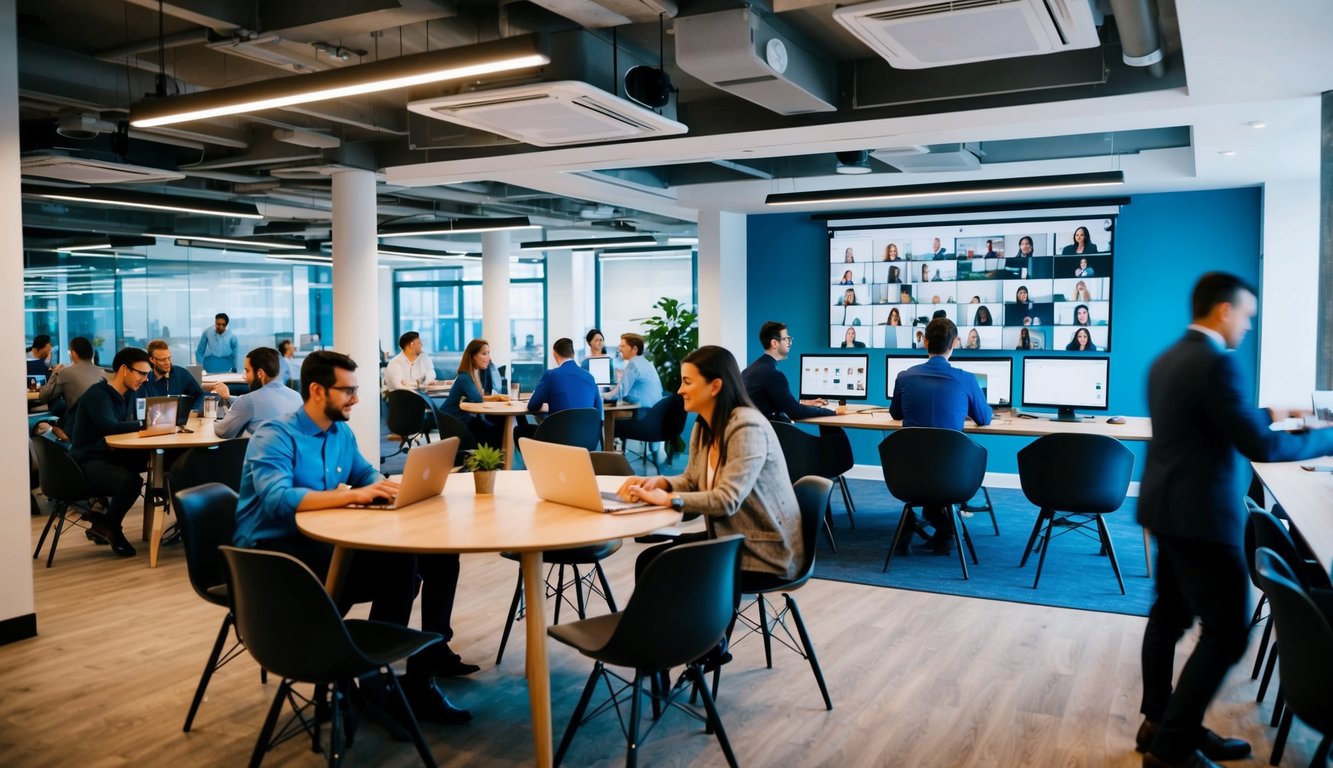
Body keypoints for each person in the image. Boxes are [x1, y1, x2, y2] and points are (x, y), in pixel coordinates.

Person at [1135, 272, 1333, 768]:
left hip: (1165, 508)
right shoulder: (1217, 364)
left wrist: (1273, 410)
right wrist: (1329, 438)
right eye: (1246, 315)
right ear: (1224, 309)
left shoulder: (1168, 359)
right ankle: (1172, 747)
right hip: (1202, 517)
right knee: (1227, 632)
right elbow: (1260, 446)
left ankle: (1159, 721)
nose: (1247, 326)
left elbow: (1214, 417)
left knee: (1168, 616)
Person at [232, 351, 476, 724]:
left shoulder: (340, 433)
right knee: (401, 566)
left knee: (436, 558)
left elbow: (366, 475)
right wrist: (353, 495)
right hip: (274, 557)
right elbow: (279, 501)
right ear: (316, 390)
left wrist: (391, 487)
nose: (356, 399)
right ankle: (370, 678)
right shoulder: (276, 436)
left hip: (322, 543)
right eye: (347, 391)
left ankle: (421, 672)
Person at [618, 345, 804, 586]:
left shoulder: (747, 427)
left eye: (687, 382)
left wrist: (668, 499)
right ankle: (677, 623)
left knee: (657, 563)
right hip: (730, 536)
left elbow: (727, 500)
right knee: (651, 559)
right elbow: (692, 480)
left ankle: (692, 623)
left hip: (764, 550)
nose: (680, 390)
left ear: (715, 386)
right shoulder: (704, 425)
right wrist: (661, 483)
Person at [888, 319, 992, 555]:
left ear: (925, 342)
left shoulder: (905, 376)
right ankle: (945, 530)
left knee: (926, 469)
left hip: (907, 475)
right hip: (953, 475)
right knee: (942, 467)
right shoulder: (966, 379)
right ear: (954, 343)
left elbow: (895, 413)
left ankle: (933, 527)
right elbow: (984, 418)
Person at [69, 346, 154, 557]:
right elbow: (110, 427)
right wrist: (147, 424)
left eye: (147, 374)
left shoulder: (126, 396)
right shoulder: (98, 394)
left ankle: (105, 523)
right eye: (141, 373)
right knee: (131, 481)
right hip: (85, 463)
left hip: (109, 456)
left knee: (158, 462)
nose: (145, 379)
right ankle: (111, 527)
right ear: (124, 370)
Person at [742, 321, 843, 422]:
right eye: (786, 339)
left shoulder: (749, 370)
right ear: (774, 343)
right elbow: (795, 412)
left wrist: (802, 404)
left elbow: (773, 404)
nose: (789, 342)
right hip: (772, 433)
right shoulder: (773, 374)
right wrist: (831, 412)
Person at [515, 338, 602, 443]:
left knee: (519, 431)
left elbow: (532, 406)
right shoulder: (589, 376)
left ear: (555, 354)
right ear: (573, 354)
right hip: (588, 440)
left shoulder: (551, 375)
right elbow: (598, 411)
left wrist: (546, 406)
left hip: (558, 440)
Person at [212, 347, 304, 439]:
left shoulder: (249, 401)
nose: (245, 377)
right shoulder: (297, 396)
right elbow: (262, 404)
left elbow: (223, 431)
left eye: (247, 371)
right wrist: (228, 397)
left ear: (260, 373)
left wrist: (210, 422)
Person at [440, 338, 506, 447]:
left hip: (466, 420)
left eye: (489, 353)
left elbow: (476, 397)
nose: (488, 358)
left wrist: (495, 398)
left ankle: (495, 460)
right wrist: (488, 397)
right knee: (495, 428)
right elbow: (477, 399)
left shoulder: (479, 374)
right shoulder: (464, 377)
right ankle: (493, 460)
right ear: (473, 356)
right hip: (454, 423)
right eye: (484, 354)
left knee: (499, 422)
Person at [38, 336, 103, 440]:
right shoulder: (103, 373)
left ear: (73, 353)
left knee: (38, 426)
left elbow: (43, 397)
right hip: (100, 429)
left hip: (75, 429)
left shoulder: (66, 372)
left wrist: (55, 373)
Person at [141, 339, 207, 410]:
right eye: (163, 359)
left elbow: (200, 395)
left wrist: (195, 410)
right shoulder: (145, 380)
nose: (168, 363)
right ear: (152, 360)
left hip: (178, 419)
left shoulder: (181, 374)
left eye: (169, 358)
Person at [605, 333, 663, 413]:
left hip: (644, 415)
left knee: (613, 421)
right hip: (655, 413)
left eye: (623, 346)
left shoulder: (633, 365)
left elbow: (618, 394)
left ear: (635, 349)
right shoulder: (647, 363)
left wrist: (600, 395)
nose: (619, 349)